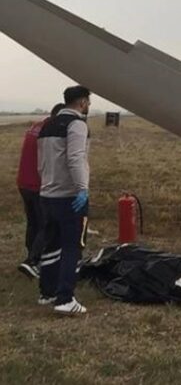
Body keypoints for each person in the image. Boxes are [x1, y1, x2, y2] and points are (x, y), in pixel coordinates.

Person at [37, 86, 91, 315]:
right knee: (71, 248)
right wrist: (82, 189)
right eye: (88, 101)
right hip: (68, 196)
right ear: (81, 102)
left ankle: (47, 292)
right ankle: (65, 298)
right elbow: (76, 158)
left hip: (47, 194)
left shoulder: (47, 125)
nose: (89, 105)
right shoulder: (76, 124)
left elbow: (41, 162)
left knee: (51, 245)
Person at [17, 103, 65, 279]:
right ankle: (32, 261)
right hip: (39, 184)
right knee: (47, 224)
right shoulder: (51, 131)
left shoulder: (36, 126)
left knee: (33, 222)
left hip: (23, 182)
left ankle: (31, 256)